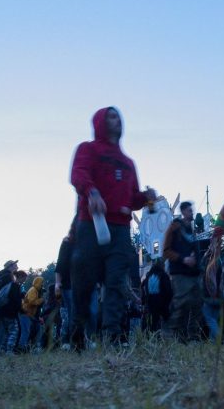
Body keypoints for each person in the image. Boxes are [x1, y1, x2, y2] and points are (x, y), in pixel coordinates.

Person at [69, 106, 157, 346]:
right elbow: (78, 175)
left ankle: (113, 335)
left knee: (116, 282)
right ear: (99, 121)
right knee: (84, 282)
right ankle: (78, 329)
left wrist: (146, 197)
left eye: (118, 116)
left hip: (120, 231)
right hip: (92, 225)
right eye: (110, 115)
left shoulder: (128, 163)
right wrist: (91, 191)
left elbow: (132, 199)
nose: (116, 119)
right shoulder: (87, 149)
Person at [162, 201, 204, 342]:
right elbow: (166, 250)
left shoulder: (191, 230)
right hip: (180, 273)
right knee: (181, 304)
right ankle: (171, 335)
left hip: (194, 273)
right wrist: (182, 259)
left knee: (197, 304)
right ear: (184, 211)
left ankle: (193, 337)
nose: (192, 212)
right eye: (190, 210)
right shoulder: (174, 227)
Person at [0, 259, 18, 353]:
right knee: (1, 330)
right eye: (15, 265)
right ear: (10, 266)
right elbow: (7, 293)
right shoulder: (8, 276)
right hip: (2, 305)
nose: (17, 266)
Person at [0, 270, 27, 354]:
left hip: (2, 312)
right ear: (20, 277)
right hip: (10, 313)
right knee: (14, 331)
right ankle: (9, 350)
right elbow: (16, 301)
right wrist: (22, 310)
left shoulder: (9, 286)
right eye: (24, 279)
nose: (24, 281)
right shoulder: (15, 286)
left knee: (6, 333)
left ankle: (2, 350)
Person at [140, 260, 172, 333]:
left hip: (150, 304)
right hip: (162, 304)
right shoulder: (163, 275)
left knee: (151, 324)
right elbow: (168, 291)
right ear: (162, 266)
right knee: (163, 324)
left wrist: (143, 301)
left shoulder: (148, 276)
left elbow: (143, 287)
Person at [19, 276, 44, 351]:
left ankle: (27, 347)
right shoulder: (33, 290)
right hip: (25, 313)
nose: (42, 284)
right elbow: (31, 302)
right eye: (41, 282)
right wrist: (41, 300)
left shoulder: (36, 290)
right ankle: (21, 348)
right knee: (25, 331)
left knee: (30, 330)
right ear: (38, 282)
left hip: (29, 314)